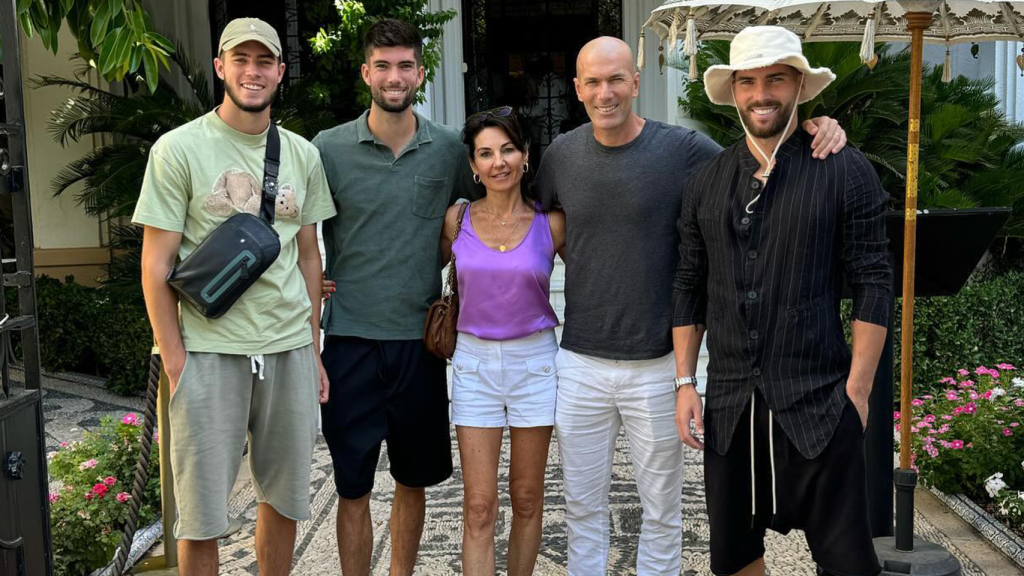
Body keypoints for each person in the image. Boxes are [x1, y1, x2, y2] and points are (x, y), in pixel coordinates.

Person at [532, 36, 850, 576]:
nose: (605, 92)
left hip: (659, 365)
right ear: (577, 89)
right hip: (579, 361)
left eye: (616, 79)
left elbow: (762, 151)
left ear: (636, 82)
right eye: (593, 81)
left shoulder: (684, 151)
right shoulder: (560, 155)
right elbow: (528, 221)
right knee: (582, 507)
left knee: (662, 512)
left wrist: (821, 126)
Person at [672, 26, 891, 576]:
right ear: (734, 91)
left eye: (775, 79)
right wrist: (684, 383)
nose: (760, 93)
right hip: (731, 406)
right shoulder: (705, 182)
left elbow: (874, 281)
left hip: (819, 401)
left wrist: (858, 391)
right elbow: (687, 286)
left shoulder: (844, 170)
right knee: (736, 559)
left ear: (798, 86)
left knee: (848, 563)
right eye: (747, 81)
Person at [134, 18, 335, 576]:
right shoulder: (178, 150)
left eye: (264, 61)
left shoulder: (302, 155)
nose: (253, 71)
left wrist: (313, 349)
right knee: (200, 516)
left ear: (280, 71)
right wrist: (176, 360)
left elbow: (310, 256)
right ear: (220, 67)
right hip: (207, 352)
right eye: (240, 60)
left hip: (288, 347)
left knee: (286, 499)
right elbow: (156, 267)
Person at [312, 18, 476, 576]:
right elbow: (293, 235)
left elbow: (489, 212)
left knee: (413, 479)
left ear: (421, 73)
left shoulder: (450, 149)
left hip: (420, 344)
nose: (394, 76)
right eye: (382, 65)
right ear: (365, 73)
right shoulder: (327, 149)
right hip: (349, 339)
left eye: (405, 64)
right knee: (352, 486)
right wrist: (309, 288)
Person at [442, 106, 566, 576]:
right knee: (478, 506)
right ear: (473, 166)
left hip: (535, 363)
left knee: (529, 498)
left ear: (526, 156)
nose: (499, 162)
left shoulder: (551, 224)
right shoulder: (456, 220)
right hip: (473, 364)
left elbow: (600, 268)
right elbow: (411, 271)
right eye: (486, 153)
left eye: (508, 149)